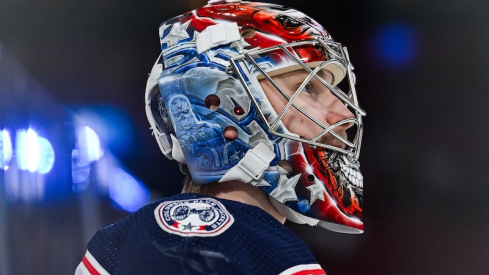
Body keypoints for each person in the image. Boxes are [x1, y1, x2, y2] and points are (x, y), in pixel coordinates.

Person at [75, 0, 366, 274]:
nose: (344, 114)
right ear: (218, 105)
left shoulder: (115, 245)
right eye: (307, 88)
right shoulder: (262, 255)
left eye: (334, 92)